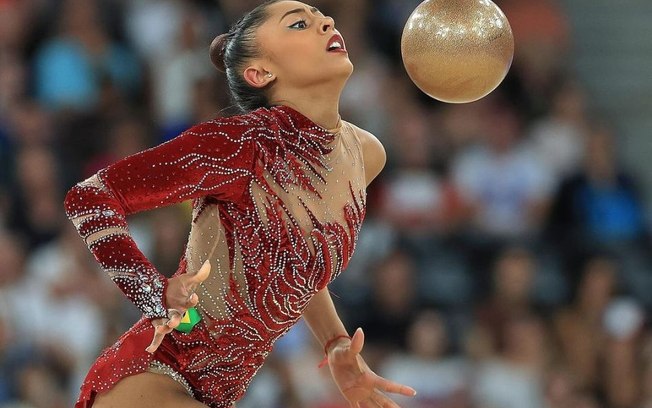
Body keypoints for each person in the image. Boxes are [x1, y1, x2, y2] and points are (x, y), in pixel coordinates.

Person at [63, 1, 417, 407]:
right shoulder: (240, 145)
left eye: (322, 17)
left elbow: (297, 263)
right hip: (154, 373)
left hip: (220, 394)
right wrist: (151, 293)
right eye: (300, 23)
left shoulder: (365, 155)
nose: (326, 23)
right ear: (260, 73)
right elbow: (89, 197)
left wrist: (335, 342)